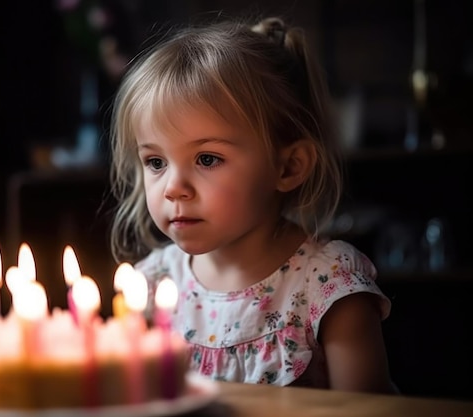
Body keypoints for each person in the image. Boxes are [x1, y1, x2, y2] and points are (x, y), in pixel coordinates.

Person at [108, 15, 396, 394]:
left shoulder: (328, 287)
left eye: (207, 159)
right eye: (156, 162)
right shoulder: (148, 286)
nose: (173, 189)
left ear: (289, 166)